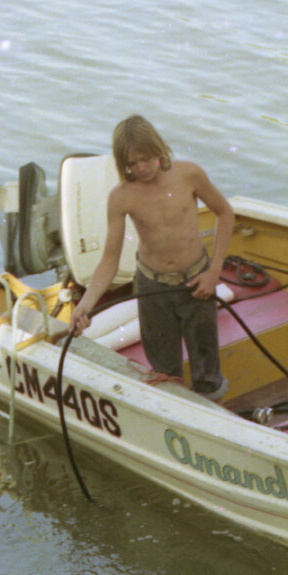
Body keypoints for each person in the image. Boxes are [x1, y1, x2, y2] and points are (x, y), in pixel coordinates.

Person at [70, 114, 235, 401]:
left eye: (145, 159)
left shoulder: (189, 174)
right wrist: (86, 304)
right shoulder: (121, 197)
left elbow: (225, 212)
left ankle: (212, 411)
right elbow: (109, 259)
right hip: (153, 289)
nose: (140, 168)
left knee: (207, 370)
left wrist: (214, 272)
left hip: (197, 282)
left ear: (158, 149)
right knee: (164, 372)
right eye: (131, 164)